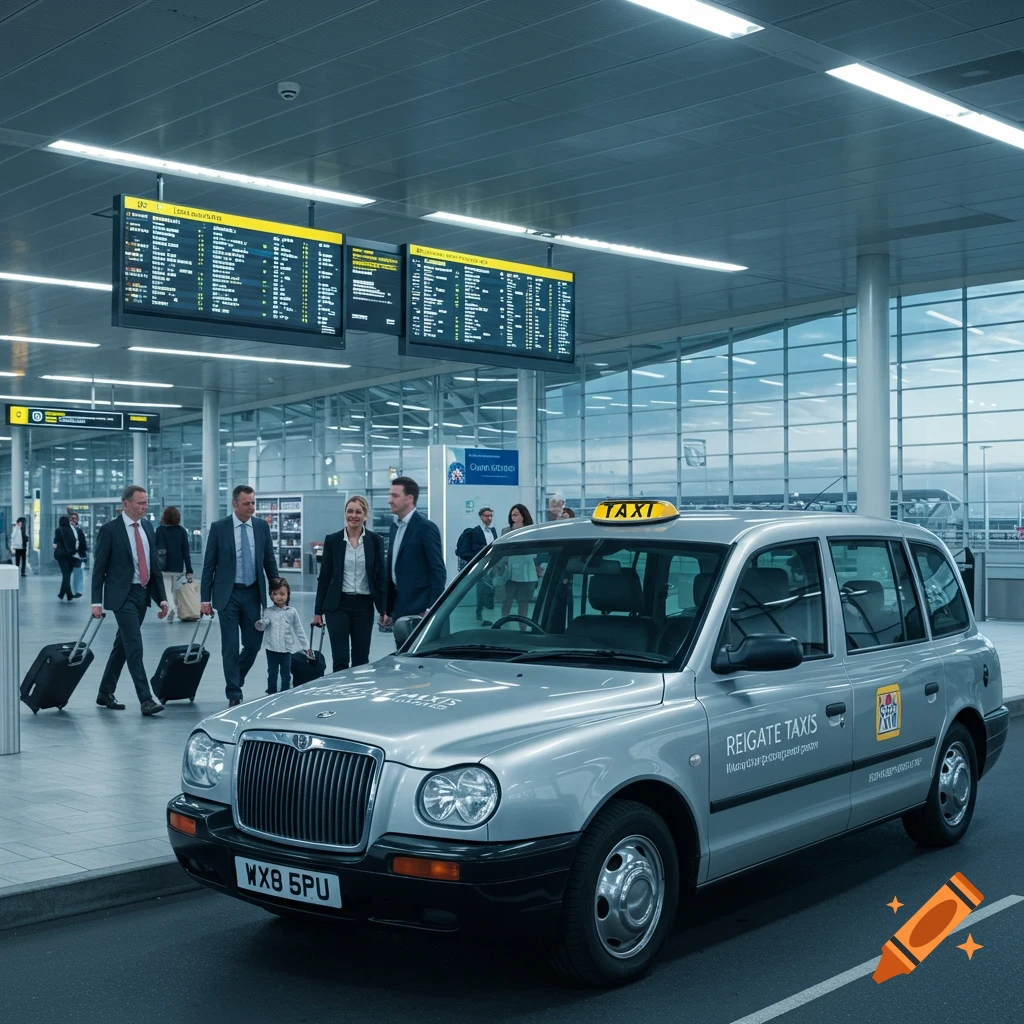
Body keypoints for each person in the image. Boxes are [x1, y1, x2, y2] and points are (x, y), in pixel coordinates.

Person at [91, 485, 169, 716]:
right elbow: (99, 569)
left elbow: (153, 565)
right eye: (140, 503)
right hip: (121, 596)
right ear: (126, 504)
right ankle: (146, 699)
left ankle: (105, 692)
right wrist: (96, 602)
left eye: (146, 503)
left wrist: (162, 599)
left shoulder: (147, 527)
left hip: (142, 594)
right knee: (134, 645)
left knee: (122, 647)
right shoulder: (110, 530)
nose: (145, 507)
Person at [201, 485, 279, 707]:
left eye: (253, 503)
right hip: (228, 594)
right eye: (246, 503)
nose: (251, 507)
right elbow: (209, 566)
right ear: (235, 504)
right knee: (230, 645)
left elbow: (269, 561)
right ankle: (233, 691)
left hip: (253, 593)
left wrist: (278, 592)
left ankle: (237, 676)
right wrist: (205, 599)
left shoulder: (261, 527)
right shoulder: (219, 528)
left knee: (254, 643)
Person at [313, 495, 386, 672]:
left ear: (365, 516)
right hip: (337, 605)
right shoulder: (333, 540)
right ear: (345, 514)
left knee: (361, 658)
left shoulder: (375, 541)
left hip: (364, 605)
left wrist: (383, 609)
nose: (353, 515)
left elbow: (380, 577)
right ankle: (340, 696)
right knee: (340, 658)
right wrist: (317, 612)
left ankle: (358, 695)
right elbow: (325, 577)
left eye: (358, 512)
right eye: (350, 511)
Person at [382, 476, 446, 638]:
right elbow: (392, 570)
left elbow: (437, 570)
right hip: (399, 606)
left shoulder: (425, 528)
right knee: (401, 654)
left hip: (420, 609)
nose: (389, 500)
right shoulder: (394, 527)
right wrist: (388, 609)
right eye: (390, 495)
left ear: (409, 498)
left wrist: (432, 608)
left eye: (395, 496)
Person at [263, 577, 311, 695]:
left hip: (286, 649)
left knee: (286, 674)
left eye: (282, 594)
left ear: (288, 595)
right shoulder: (267, 611)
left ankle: (285, 695)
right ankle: (271, 694)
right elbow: (261, 627)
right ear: (271, 595)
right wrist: (261, 623)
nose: (279, 597)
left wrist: (306, 646)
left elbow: (298, 629)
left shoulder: (292, 611)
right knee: (272, 673)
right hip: (271, 649)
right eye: (276, 594)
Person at [501, 504, 540, 623]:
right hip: (511, 570)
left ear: (523, 515)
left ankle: (523, 626)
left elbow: (535, 551)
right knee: (507, 599)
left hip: (527, 570)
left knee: (523, 602)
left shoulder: (532, 530)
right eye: (512, 515)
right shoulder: (506, 531)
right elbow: (504, 550)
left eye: (516, 514)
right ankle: (503, 623)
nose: (514, 517)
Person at [155, 506, 193, 623]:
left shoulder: (160, 530)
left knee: (167, 590)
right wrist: (189, 570)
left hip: (164, 565)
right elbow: (186, 551)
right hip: (177, 565)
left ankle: (172, 608)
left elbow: (157, 548)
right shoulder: (181, 531)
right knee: (174, 589)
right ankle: (173, 608)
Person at [465, 507, 498, 621]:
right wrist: (486, 548)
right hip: (482, 563)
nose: (489, 518)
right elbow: (474, 547)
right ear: (481, 517)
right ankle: (479, 611)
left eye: (490, 516)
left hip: (492, 563)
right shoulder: (476, 531)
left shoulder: (493, 530)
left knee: (491, 587)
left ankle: (489, 608)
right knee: (481, 589)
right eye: (486, 516)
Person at [52, 515, 77, 602]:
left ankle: (63, 594)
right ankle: (67, 594)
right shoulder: (70, 530)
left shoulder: (58, 530)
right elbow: (73, 541)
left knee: (65, 574)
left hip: (60, 554)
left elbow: (55, 541)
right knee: (67, 574)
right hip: (69, 554)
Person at [69, 512, 87, 597]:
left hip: (77, 555)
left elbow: (83, 543)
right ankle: (70, 590)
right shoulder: (66, 530)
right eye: (72, 518)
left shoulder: (79, 530)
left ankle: (78, 591)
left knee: (78, 572)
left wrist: (83, 554)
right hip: (68, 555)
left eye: (75, 518)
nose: (73, 520)